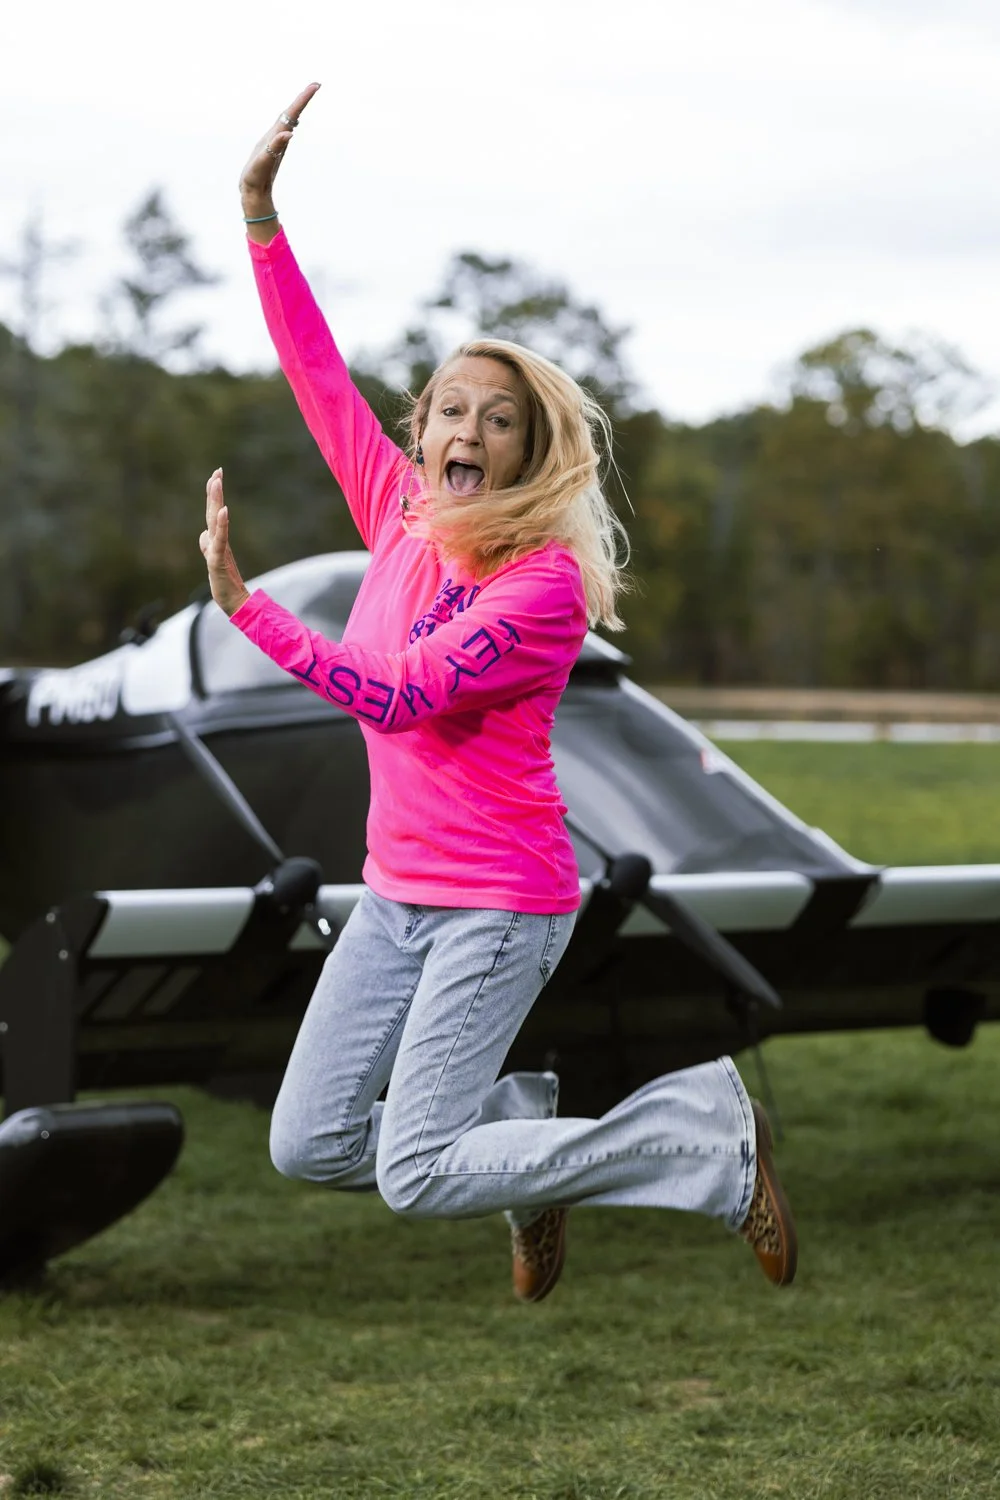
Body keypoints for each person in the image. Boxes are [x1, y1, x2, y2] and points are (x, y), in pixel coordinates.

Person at [199, 83, 797, 1301]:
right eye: (450, 411)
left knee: (417, 1172)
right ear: (423, 432)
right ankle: (519, 1141)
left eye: (500, 419)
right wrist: (259, 215)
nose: (467, 430)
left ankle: (703, 1139)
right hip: (395, 894)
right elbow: (316, 375)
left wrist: (247, 610)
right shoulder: (400, 511)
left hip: (499, 902)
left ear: (529, 450)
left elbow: (400, 696)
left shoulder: (543, 588)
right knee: (308, 1144)